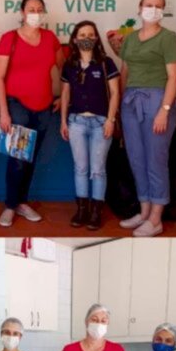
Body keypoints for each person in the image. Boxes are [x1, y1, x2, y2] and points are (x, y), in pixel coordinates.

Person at [0, 0, 64, 227]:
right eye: (31, 9)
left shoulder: (50, 38)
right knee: (17, 159)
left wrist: (63, 96)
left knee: (31, 158)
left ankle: (22, 202)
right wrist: (4, 112)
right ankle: (10, 205)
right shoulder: (9, 39)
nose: (35, 13)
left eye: (39, 9)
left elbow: (64, 70)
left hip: (43, 107)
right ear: (22, 13)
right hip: (17, 106)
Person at [118, 0, 176, 238]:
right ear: (139, 8)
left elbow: (174, 77)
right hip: (131, 102)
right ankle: (144, 211)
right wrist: (121, 104)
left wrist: (164, 111)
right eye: (148, 5)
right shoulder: (131, 39)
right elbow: (125, 71)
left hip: (157, 101)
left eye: (158, 6)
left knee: (156, 160)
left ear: (163, 11)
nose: (153, 9)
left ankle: (156, 218)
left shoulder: (169, 39)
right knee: (136, 158)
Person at [60, 20, 120, 231]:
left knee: (98, 169)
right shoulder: (69, 65)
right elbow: (65, 93)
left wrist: (111, 120)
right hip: (76, 122)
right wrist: (63, 122)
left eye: (90, 35)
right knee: (81, 168)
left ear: (96, 38)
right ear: (75, 39)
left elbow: (115, 94)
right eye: (82, 35)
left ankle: (96, 211)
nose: (87, 39)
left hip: (100, 123)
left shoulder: (106, 63)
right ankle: (82, 210)